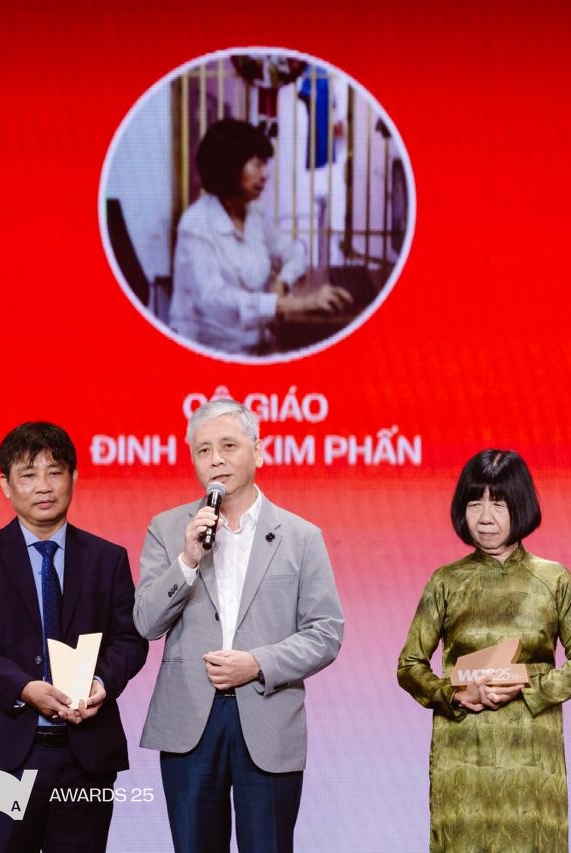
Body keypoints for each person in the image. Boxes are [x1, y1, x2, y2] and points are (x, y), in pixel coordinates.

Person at [134, 399, 343, 853]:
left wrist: (257, 663)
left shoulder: (300, 536)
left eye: (228, 446)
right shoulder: (168, 528)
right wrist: (187, 560)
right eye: (203, 450)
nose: (216, 459)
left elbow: (326, 632)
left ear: (258, 451)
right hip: (190, 722)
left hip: (268, 716)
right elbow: (146, 622)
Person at [0, 422, 148, 852]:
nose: (43, 486)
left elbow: (130, 640)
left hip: (84, 759)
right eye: (28, 474)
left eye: (55, 472)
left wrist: (102, 683)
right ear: (5, 484)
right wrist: (23, 687)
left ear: (74, 478)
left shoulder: (107, 559)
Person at [397, 449, 571, 852]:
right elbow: (409, 665)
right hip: (462, 756)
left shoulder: (553, 579)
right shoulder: (446, 581)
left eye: (499, 504)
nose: (485, 518)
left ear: (521, 506)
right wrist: (454, 694)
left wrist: (528, 687)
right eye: (475, 504)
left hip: (531, 754)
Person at [169, 119, 352, 356]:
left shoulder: (254, 213)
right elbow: (214, 299)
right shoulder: (196, 224)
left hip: (258, 342)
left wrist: (281, 283)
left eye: (265, 164)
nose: (265, 174)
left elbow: (293, 254)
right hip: (212, 351)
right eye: (257, 164)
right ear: (230, 166)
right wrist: (297, 303)